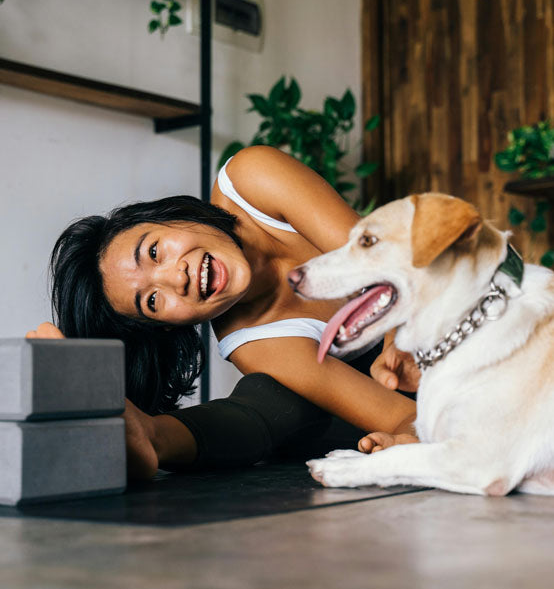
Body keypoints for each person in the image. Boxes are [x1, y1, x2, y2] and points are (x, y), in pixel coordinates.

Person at [27, 146, 420, 479]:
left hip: (444, 298)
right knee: (276, 399)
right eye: (152, 301)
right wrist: (403, 442)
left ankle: (153, 436)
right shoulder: (256, 344)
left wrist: (396, 337)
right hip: (424, 389)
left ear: (169, 217)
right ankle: (150, 437)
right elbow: (400, 417)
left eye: (154, 251)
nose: (176, 278)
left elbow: (389, 264)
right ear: (167, 327)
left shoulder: (250, 181)